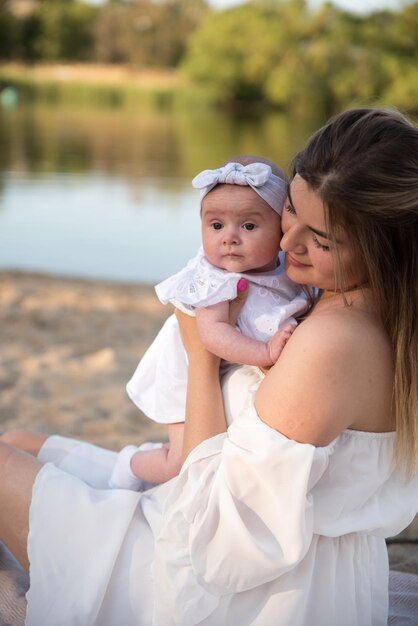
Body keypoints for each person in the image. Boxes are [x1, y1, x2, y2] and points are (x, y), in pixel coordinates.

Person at [1, 106, 418, 626]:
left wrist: (200, 357)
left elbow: (217, 545)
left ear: (388, 249)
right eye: (289, 210)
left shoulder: (331, 343)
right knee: (21, 441)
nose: (287, 244)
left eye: (322, 240)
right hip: (308, 566)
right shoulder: (386, 318)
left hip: (223, 595)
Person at [109, 156, 307, 490]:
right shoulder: (215, 280)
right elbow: (213, 335)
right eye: (216, 226)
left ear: (281, 230)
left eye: (248, 226)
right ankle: (129, 465)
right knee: (180, 461)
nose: (229, 238)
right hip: (186, 374)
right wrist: (265, 352)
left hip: (226, 372)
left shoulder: (288, 267)